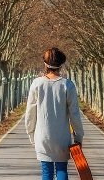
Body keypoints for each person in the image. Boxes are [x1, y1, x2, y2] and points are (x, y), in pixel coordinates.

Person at [25, 47, 84, 180]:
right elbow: (74, 114)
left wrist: (31, 134)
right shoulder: (67, 85)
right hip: (62, 138)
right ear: (61, 65)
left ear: (45, 64)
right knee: (62, 170)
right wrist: (79, 136)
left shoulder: (36, 84)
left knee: (46, 172)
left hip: (42, 136)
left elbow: (30, 113)